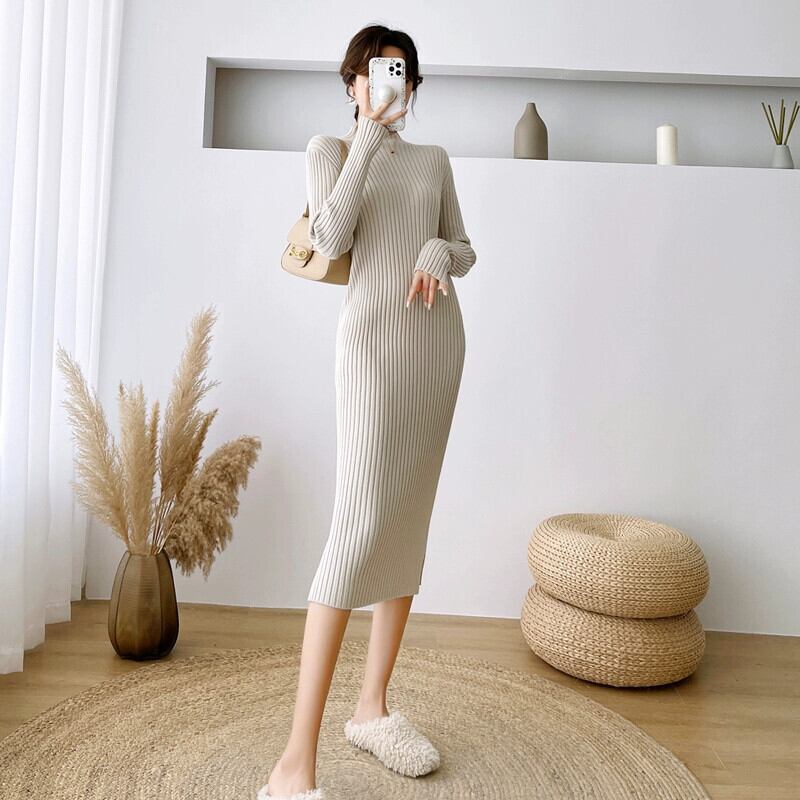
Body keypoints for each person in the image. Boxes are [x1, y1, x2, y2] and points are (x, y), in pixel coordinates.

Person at [259, 24, 476, 800]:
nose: (391, 84)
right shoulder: (328, 151)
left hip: (437, 349)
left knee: (405, 527)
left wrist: (439, 253)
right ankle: (294, 763)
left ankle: (372, 707)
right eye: (377, 73)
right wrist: (369, 140)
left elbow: (464, 246)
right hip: (374, 354)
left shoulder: (434, 161)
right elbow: (330, 234)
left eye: (402, 74)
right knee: (354, 535)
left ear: (413, 84)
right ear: (353, 82)